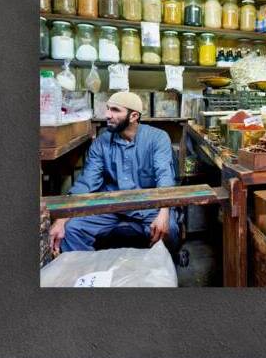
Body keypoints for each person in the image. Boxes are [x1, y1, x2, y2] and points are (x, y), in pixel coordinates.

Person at [49, 91, 179, 254]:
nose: (107, 115)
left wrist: (164, 212)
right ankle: (89, 275)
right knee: (71, 229)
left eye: (115, 110)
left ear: (133, 116)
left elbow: (165, 176)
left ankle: (156, 275)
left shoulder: (157, 138)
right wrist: (61, 219)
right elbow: (86, 183)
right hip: (112, 205)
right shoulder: (102, 142)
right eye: (108, 109)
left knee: (170, 231)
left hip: (149, 206)